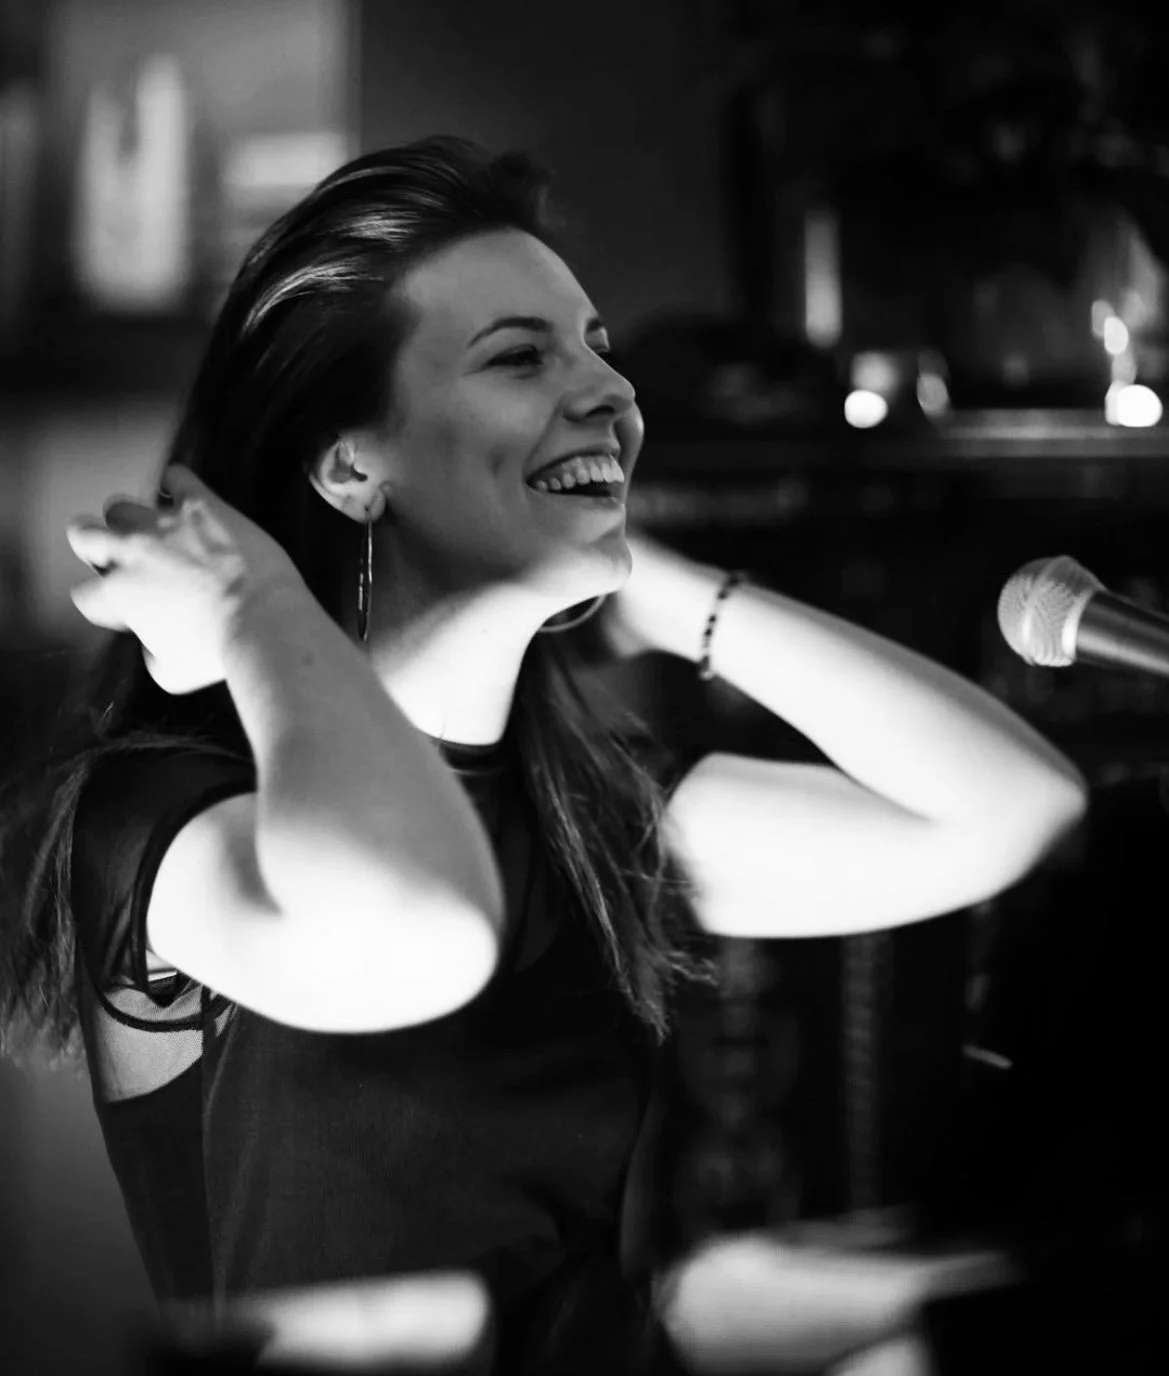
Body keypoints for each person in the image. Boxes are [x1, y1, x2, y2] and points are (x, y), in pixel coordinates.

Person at [0, 137, 1087, 1372]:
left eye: (598, 351)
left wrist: (664, 586)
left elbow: (1011, 809)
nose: (609, 394)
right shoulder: (174, 809)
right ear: (356, 466)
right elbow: (423, 929)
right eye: (521, 355)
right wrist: (261, 610)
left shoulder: (590, 814)